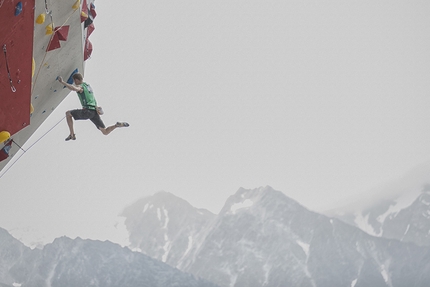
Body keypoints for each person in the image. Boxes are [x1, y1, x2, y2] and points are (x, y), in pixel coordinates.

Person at [57, 73, 129, 141]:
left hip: (87, 111)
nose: (74, 83)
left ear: (76, 80)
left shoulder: (81, 87)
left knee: (68, 114)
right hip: (94, 112)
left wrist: (62, 82)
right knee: (105, 132)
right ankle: (116, 125)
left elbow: (74, 88)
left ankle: (72, 134)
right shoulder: (88, 87)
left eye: (74, 81)